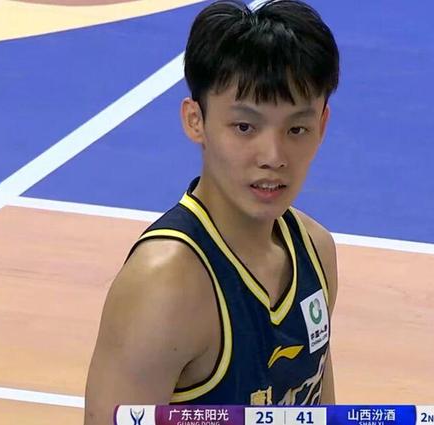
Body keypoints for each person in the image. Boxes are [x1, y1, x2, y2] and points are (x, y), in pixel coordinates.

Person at [84, 0, 340, 420]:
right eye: (245, 127)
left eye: (297, 128)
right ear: (195, 120)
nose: (273, 156)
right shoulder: (165, 285)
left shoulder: (316, 251)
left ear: (322, 126)